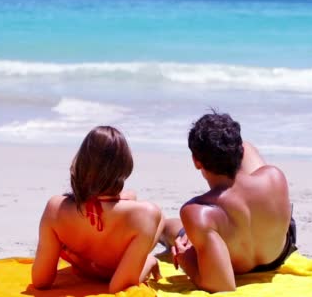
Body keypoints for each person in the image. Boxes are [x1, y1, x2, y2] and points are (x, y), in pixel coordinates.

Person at [162, 112, 296, 292]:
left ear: (196, 161)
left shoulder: (196, 211)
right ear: (239, 153)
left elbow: (221, 285)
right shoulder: (274, 176)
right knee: (247, 147)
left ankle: (164, 228)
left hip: (233, 266)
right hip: (276, 254)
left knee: (168, 228)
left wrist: (186, 260)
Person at [32, 126, 163, 293]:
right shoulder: (146, 214)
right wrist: (149, 261)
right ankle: (144, 260)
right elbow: (118, 288)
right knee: (158, 220)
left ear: (81, 162)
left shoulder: (55, 208)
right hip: (116, 270)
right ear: (125, 165)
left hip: (85, 267)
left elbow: (40, 281)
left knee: (131, 198)